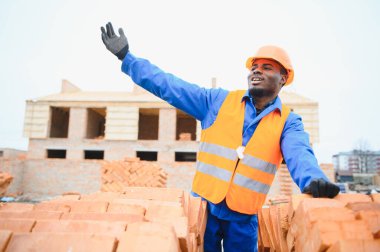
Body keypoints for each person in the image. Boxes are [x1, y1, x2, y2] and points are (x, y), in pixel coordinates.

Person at [101, 22, 340, 252]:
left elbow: (300, 153)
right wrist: (127, 58)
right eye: (254, 67)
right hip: (204, 211)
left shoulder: (288, 122)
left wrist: (313, 180)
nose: (257, 70)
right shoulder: (217, 102)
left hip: (243, 220)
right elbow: (170, 86)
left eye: (267, 67)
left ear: (283, 78)